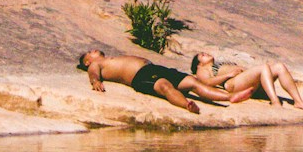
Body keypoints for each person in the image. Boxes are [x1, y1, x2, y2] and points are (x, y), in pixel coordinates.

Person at [76, 49, 228, 113]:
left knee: (193, 81)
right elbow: (93, 73)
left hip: (154, 68)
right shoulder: (97, 64)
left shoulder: (110, 58)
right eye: (89, 53)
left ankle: (229, 97)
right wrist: (95, 81)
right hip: (140, 76)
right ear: (87, 62)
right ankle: (187, 105)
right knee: (165, 86)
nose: (93, 51)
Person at [189, 51, 303, 112]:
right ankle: (275, 101)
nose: (205, 53)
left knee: (279, 67)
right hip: (232, 84)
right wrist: (228, 74)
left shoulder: (217, 63)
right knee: (263, 67)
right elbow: (207, 83)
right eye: (202, 55)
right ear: (199, 64)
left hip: (245, 81)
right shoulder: (202, 69)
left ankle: (298, 101)